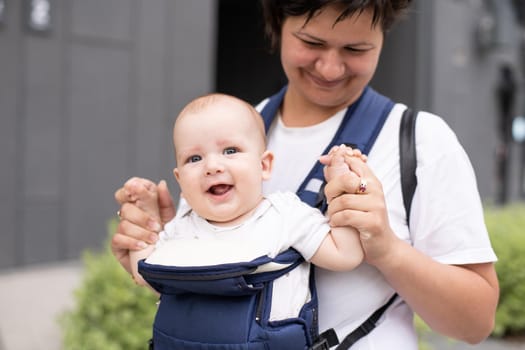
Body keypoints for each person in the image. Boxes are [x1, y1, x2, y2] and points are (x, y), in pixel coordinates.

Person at [113, 1, 499, 349]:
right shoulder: (229, 134)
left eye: (355, 49)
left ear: (383, 36)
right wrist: (164, 246)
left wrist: (387, 249)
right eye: (311, 43)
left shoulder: (421, 142)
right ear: (277, 24)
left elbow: (474, 323)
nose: (330, 68)